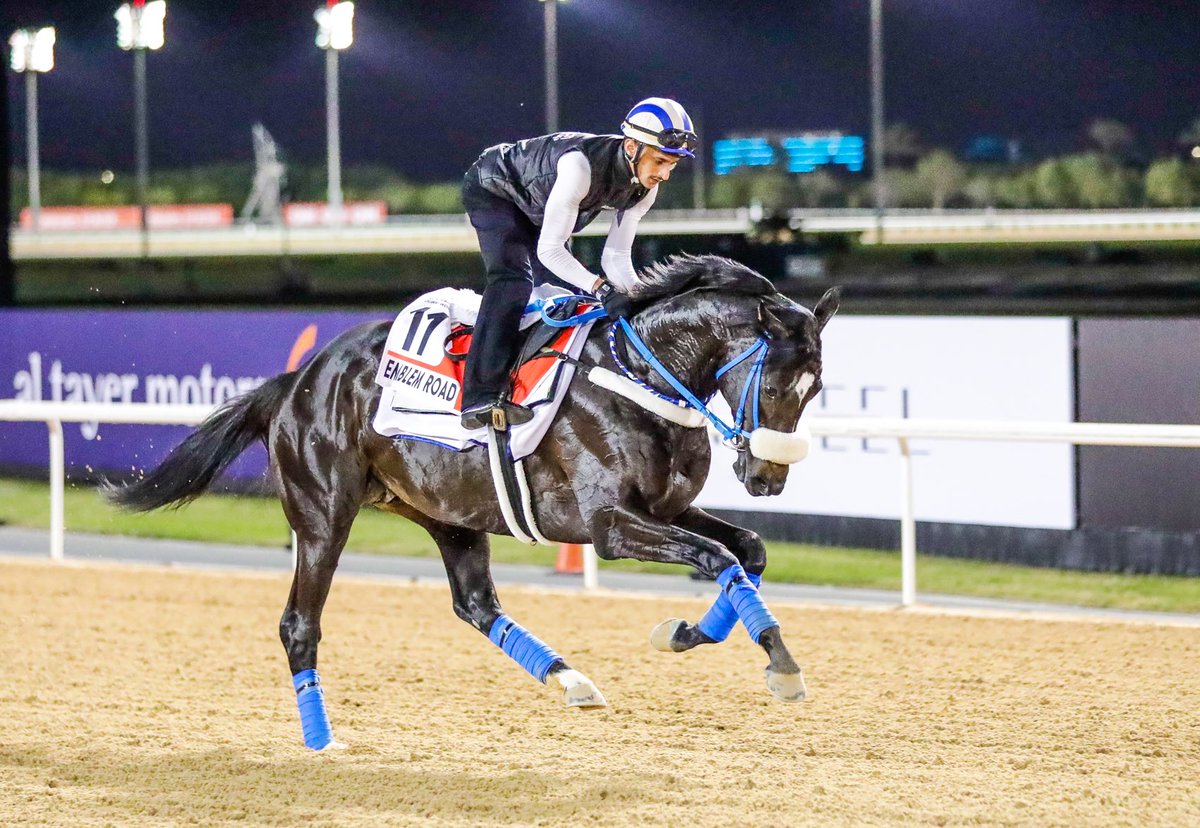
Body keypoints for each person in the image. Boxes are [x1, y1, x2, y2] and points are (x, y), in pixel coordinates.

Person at [458, 97, 698, 430]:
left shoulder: (644, 189)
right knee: (513, 282)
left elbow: (615, 257)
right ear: (631, 147)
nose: (666, 174)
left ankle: (529, 378)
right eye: (660, 161)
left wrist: (640, 298)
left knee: (558, 293)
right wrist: (601, 288)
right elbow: (550, 251)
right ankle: (479, 397)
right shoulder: (580, 167)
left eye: (672, 164)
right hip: (495, 191)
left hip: (538, 205)